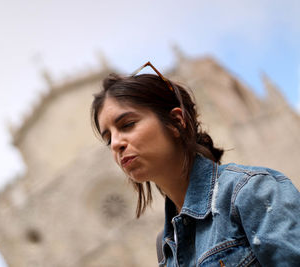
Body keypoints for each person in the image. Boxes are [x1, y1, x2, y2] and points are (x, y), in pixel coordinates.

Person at [90, 62, 300, 266]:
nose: (116, 143)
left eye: (127, 124)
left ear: (176, 121)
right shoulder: (165, 245)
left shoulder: (253, 191)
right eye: (108, 139)